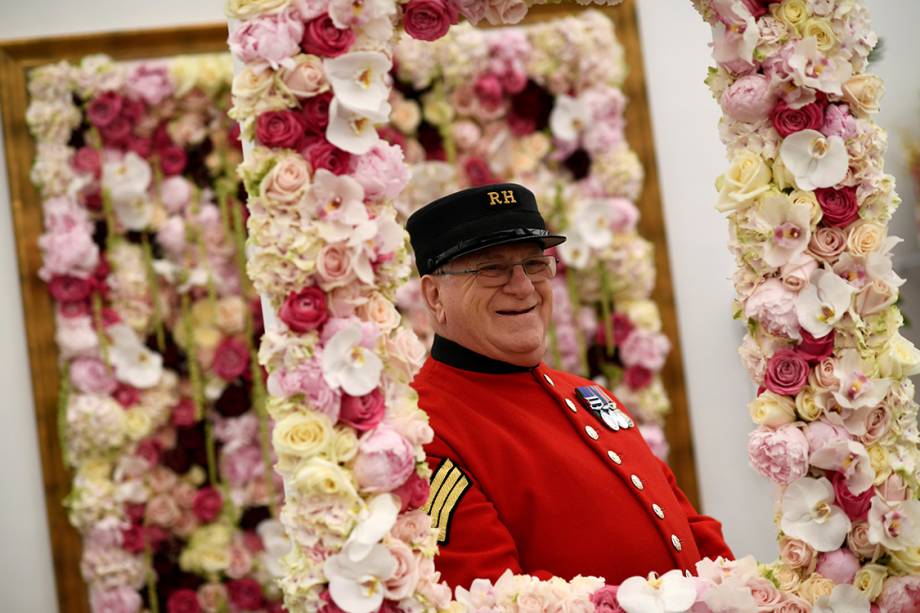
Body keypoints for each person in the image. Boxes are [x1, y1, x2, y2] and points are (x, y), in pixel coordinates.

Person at [405, 182, 733, 589]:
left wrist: (737, 591)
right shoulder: (424, 428)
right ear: (434, 295)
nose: (523, 286)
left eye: (534, 264)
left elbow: (686, 524)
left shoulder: (583, 393)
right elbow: (489, 593)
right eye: (491, 268)